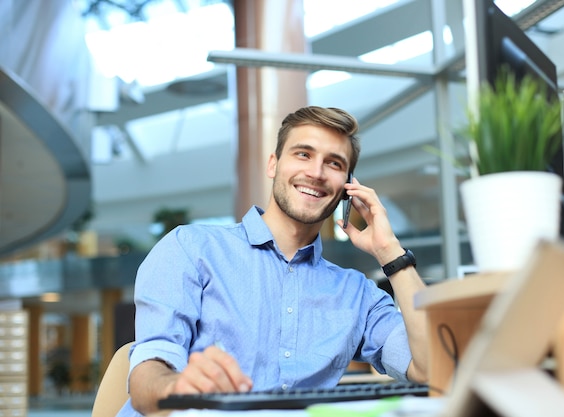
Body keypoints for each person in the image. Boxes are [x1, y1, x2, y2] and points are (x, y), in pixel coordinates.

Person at [117, 106, 428, 416]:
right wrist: (177, 388)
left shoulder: (359, 296)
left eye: (334, 163)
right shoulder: (190, 248)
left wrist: (391, 252)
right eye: (303, 154)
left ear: (347, 187)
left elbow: (429, 370)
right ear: (273, 165)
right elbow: (147, 375)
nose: (317, 173)